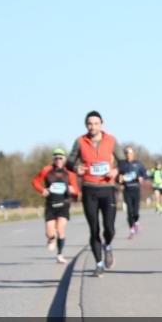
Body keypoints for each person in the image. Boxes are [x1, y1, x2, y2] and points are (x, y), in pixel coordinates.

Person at [66, 111, 122, 277]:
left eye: (96, 123)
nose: (93, 126)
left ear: (101, 124)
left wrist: (116, 170)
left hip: (107, 188)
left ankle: (108, 246)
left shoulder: (111, 140)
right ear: (86, 125)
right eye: (90, 124)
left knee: (109, 228)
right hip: (89, 188)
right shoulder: (80, 141)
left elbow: (123, 161)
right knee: (94, 229)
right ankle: (99, 264)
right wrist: (76, 168)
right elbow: (70, 162)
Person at [31, 148, 79, 264]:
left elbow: (76, 190)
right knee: (50, 232)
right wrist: (42, 190)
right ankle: (51, 239)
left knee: (61, 230)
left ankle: (60, 254)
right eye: (56, 158)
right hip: (50, 204)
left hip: (64, 204)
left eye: (60, 158)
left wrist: (73, 191)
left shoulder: (69, 173)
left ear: (64, 159)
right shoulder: (46, 170)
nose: (58, 160)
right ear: (53, 159)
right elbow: (35, 181)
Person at [118, 146, 148, 238]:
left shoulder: (138, 164)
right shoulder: (122, 164)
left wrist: (141, 178)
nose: (128, 154)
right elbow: (118, 176)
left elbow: (145, 175)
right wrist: (120, 181)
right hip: (127, 190)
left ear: (133, 154)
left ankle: (136, 222)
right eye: (126, 152)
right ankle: (132, 230)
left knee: (135, 212)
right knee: (129, 211)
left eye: (130, 152)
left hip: (136, 189)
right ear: (125, 154)